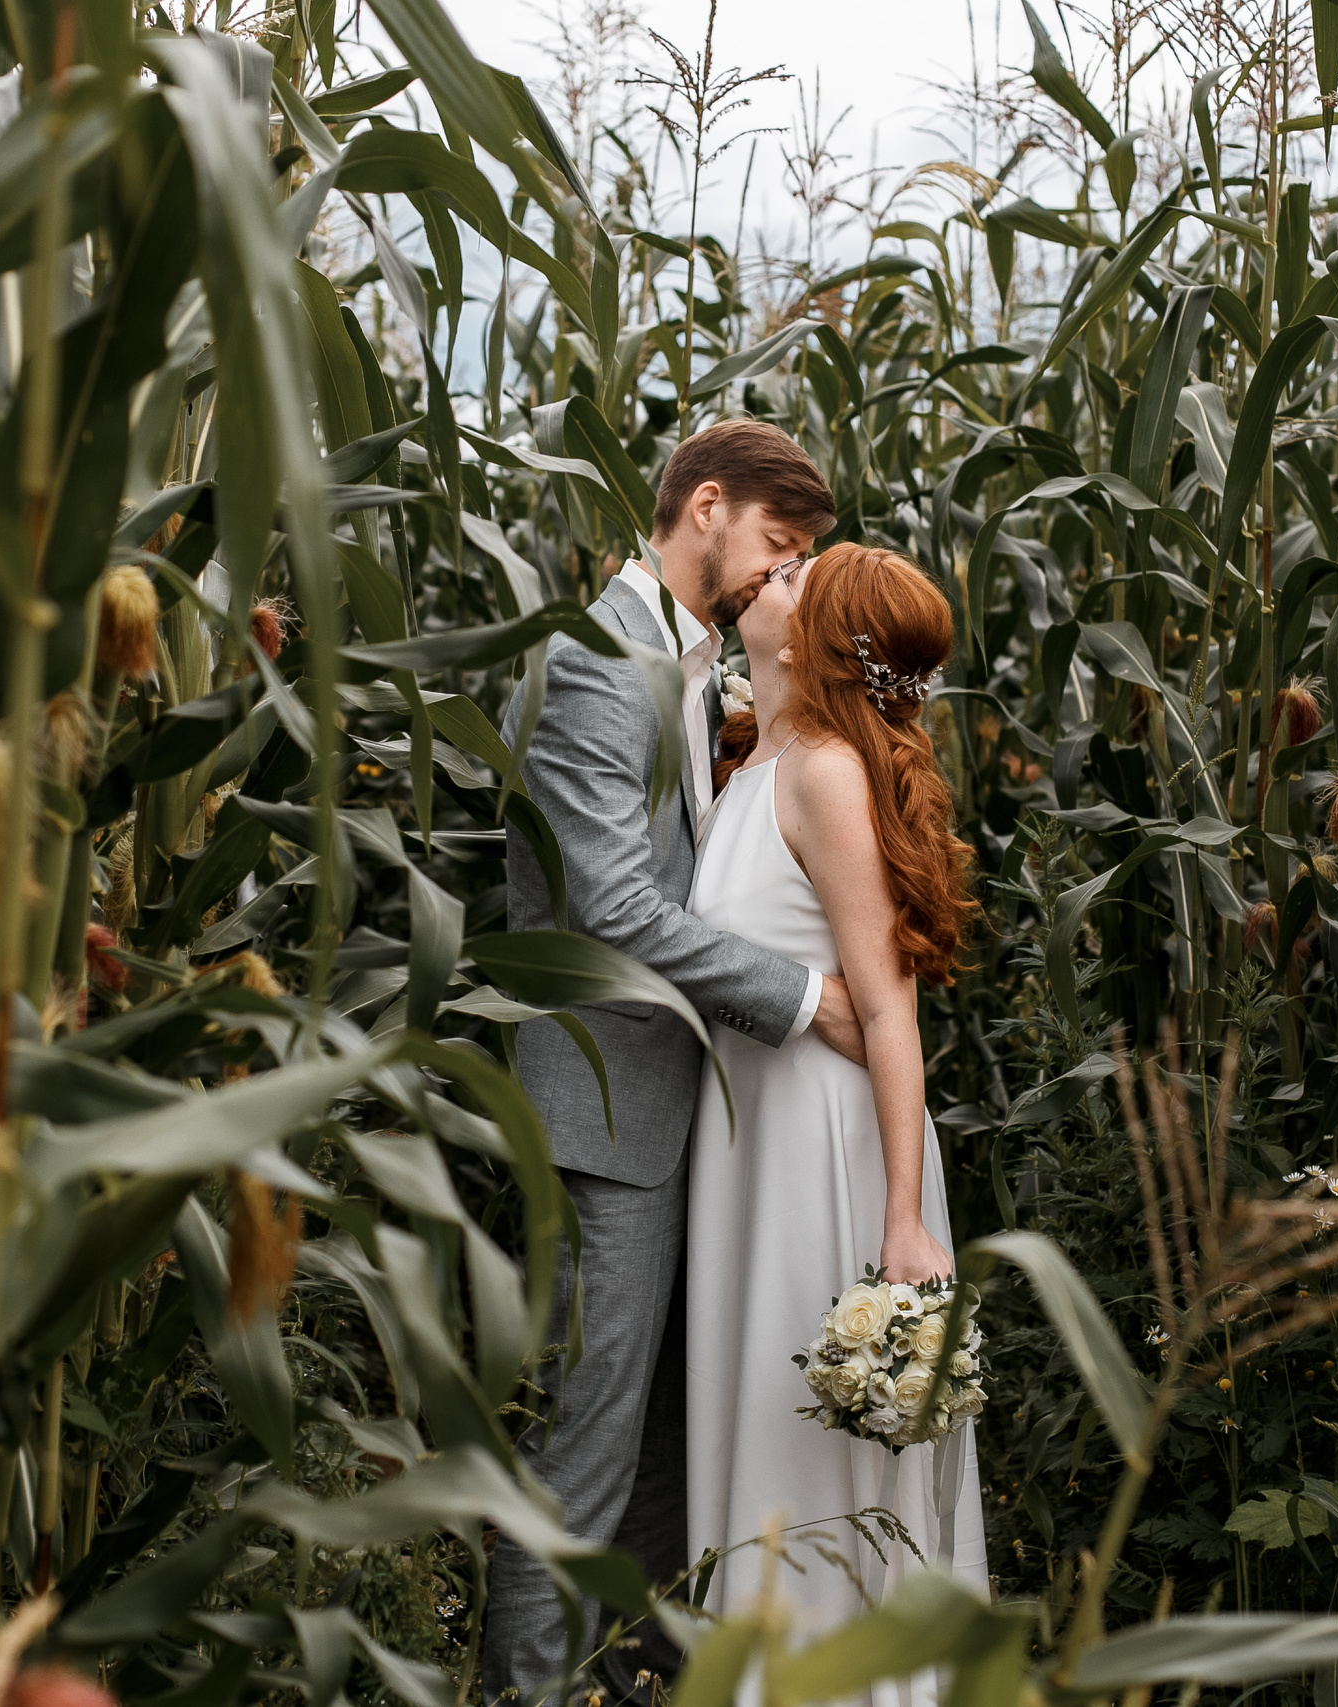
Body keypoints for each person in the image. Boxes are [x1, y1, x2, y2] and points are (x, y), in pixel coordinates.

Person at [486, 420, 868, 1703]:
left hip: (678, 1121)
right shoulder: (602, 659)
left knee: (660, 1459)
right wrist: (806, 996)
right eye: (776, 544)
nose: (781, 578)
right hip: (608, 1120)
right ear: (705, 507)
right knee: (578, 1461)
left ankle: (630, 1685)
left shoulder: (697, 666)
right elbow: (608, 906)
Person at [683, 543, 987, 1681]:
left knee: (803, 1450)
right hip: (747, 1147)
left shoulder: (823, 774)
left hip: (826, 1151)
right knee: (747, 1415)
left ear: (817, 640)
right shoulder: (752, 762)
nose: (773, 575)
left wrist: (903, 1220)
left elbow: (891, 1011)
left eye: (796, 575)